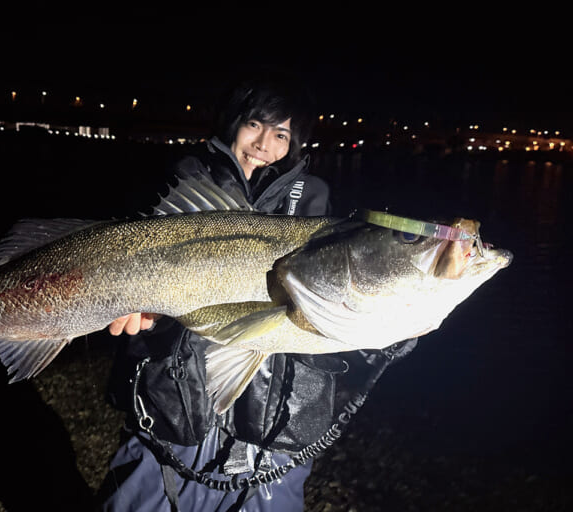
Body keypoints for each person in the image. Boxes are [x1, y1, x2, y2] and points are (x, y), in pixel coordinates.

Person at [98, 77, 416, 511]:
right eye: (255, 124)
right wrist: (145, 319)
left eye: (281, 134)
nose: (265, 143)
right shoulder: (180, 179)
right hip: (175, 416)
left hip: (272, 430)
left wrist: (393, 326)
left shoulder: (314, 201)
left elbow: (331, 299)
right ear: (233, 123)